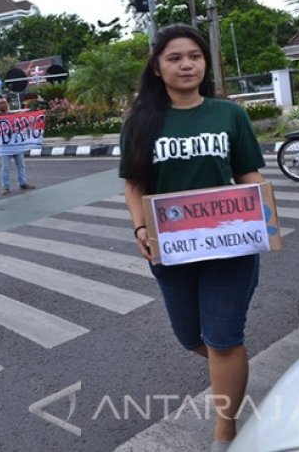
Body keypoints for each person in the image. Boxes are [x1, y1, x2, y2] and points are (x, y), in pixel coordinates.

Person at [119, 24, 266, 452]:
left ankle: (225, 430)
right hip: (170, 247)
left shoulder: (230, 115)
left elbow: (248, 175)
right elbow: (134, 185)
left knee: (223, 338)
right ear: (158, 67)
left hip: (230, 246)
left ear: (205, 62)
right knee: (191, 338)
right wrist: (140, 226)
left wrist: (265, 213)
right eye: (175, 58)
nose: (187, 65)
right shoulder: (141, 123)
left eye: (195, 56)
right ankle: (232, 364)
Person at [0, 96, 35, 195]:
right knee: (5, 167)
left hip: (16, 144)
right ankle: (5, 187)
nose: (2, 104)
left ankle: (23, 183)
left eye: (4, 102)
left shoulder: (14, 115)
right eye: (0, 103)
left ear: (7, 103)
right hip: (4, 146)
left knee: (21, 165)